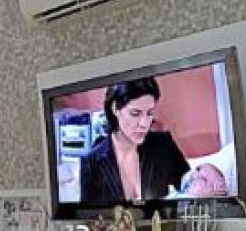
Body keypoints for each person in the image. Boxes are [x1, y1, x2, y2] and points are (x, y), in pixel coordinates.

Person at [79, 76, 189, 204]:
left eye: (150, 113)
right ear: (115, 109)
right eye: (135, 113)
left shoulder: (163, 144)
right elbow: (87, 214)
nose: (144, 124)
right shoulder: (91, 163)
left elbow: (191, 187)